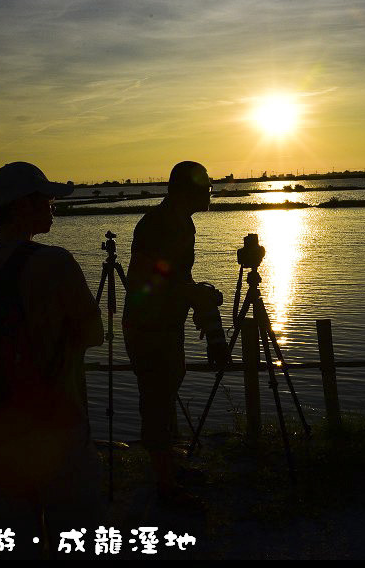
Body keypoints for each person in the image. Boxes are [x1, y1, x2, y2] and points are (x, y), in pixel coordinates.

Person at [0, 161, 106, 536]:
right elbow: (95, 333)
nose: (53, 206)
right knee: (79, 538)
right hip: (56, 422)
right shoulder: (55, 262)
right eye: (46, 199)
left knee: (20, 541)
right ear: (20, 207)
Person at [122, 161, 227, 499]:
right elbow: (142, 280)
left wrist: (195, 296)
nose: (210, 192)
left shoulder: (181, 222)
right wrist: (190, 295)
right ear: (187, 191)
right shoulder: (159, 224)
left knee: (165, 396)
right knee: (156, 400)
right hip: (148, 327)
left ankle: (171, 467)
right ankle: (165, 485)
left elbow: (174, 278)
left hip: (166, 324)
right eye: (206, 186)